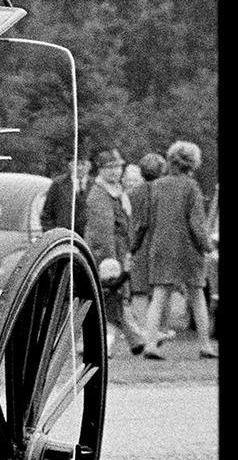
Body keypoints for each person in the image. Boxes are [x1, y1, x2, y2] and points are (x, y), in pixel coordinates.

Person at [140, 139, 217, 359]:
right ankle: (205, 345)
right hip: (188, 249)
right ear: (193, 163)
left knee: (159, 296)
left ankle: (150, 344)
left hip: (161, 246)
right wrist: (208, 247)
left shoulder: (156, 185)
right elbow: (196, 223)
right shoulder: (191, 187)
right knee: (197, 295)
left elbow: (147, 220)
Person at [81, 147, 150, 358]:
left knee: (114, 301)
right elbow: (102, 234)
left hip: (119, 252)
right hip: (107, 256)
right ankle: (122, 342)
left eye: (117, 167)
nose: (115, 171)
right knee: (111, 300)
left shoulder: (116, 191)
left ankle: (133, 340)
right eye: (109, 168)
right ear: (100, 170)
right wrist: (111, 262)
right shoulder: (100, 195)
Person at [128, 151, 167, 341]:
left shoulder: (134, 193)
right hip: (159, 242)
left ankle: (143, 329)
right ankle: (157, 329)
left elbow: (136, 221)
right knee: (159, 289)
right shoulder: (164, 190)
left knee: (139, 290)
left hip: (140, 244)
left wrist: (132, 246)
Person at [39, 154, 91, 234]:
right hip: (65, 237)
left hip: (88, 240)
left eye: (83, 164)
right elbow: (47, 214)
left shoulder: (94, 186)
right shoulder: (59, 184)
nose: (80, 168)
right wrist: (54, 235)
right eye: (77, 164)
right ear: (70, 165)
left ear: (89, 166)